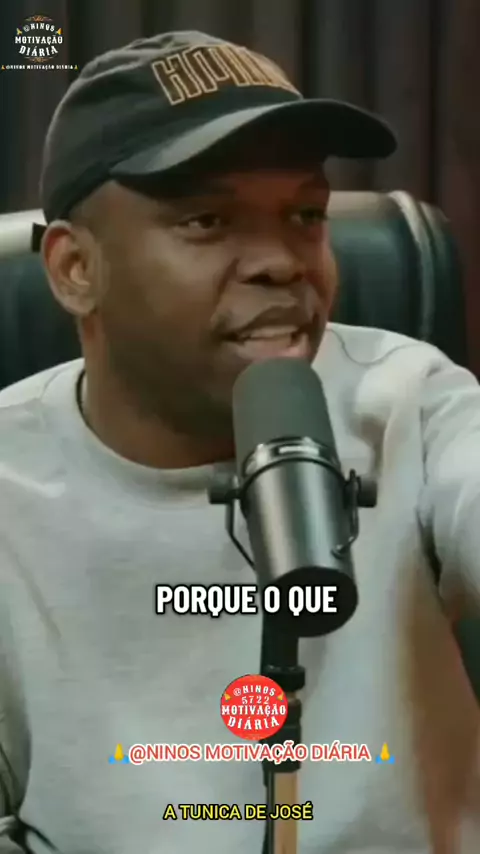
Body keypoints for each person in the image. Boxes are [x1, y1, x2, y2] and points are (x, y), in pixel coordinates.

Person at [0, 29, 479, 854]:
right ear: (76, 268)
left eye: (306, 216)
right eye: (207, 219)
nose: (282, 263)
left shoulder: (412, 401)